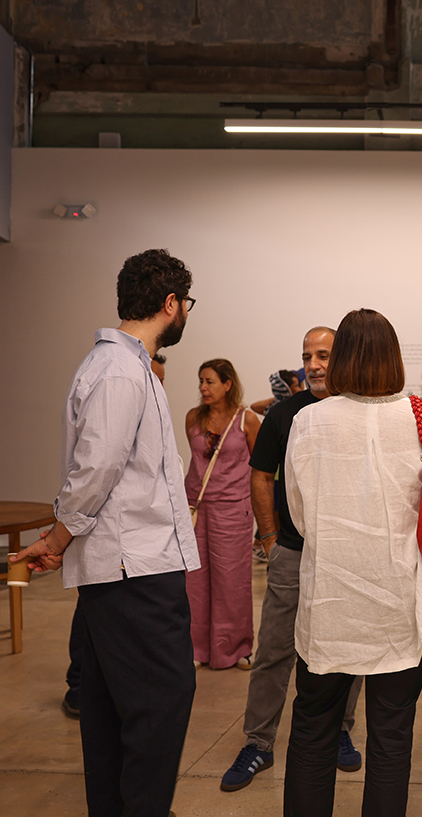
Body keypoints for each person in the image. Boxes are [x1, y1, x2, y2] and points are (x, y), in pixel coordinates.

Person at [12, 248, 200, 817]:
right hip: (134, 569)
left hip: (125, 567)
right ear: (170, 303)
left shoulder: (124, 365)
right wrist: (58, 539)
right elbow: (96, 469)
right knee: (160, 702)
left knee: (110, 707)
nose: (187, 313)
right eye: (187, 303)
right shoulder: (120, 369)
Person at [283, 309, 422, 817]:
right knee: (392, 735)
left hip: (330, 601)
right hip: (402, 601)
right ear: (392, 357)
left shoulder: (309, 420)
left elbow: (300, 515)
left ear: (341, 359)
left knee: (313, 727)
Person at [220, 326, 364, 793]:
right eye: (307, 356)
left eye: (323, 355)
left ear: (343, 357)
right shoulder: (284, 414)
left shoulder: (360, 412)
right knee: (275, 651)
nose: (314, 365)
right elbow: (261, 475)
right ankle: (258, 742)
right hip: (292, 552)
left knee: (346, 649)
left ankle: (340, 730)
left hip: (345, 557)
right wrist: (269, 539)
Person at [64, 350, 169, 718]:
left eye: (161, 381)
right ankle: (78, 684)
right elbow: (97, 470)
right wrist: (60, 536)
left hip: (139, 549)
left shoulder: (146, 403)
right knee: (93, 621)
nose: (157, 386)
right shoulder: (118, 380)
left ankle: (90, 687)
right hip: (113, 548)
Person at [184, 359, 261, 670]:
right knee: (194, 581)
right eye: (201, 381)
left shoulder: (247, 420)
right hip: (195, 507)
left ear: (227, 384)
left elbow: (260, 467)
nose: (203, 387)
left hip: (233, 510)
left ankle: (236, 647)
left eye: (210, 381)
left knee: (232, 580)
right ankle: (197, 648)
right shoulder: (193, 417)